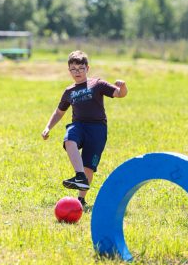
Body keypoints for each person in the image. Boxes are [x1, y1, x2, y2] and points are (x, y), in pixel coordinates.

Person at [41, 50, 128, 208]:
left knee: (89, 165)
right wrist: (48, 126)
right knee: (69, 139)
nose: (77, 72)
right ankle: (79, 175)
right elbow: (59, 112)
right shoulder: (69, 91)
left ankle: (81, 199)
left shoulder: (97, 84)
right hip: (79, 125)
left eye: (81, 68)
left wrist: (123, 87)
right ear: (69, 71)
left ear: (87, 68)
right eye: (73, 69)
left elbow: (119, 94)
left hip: (97, 128)